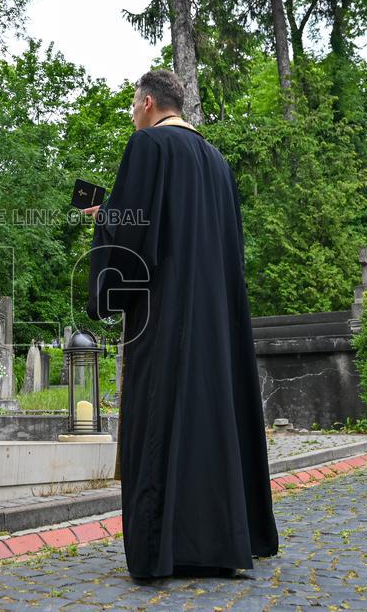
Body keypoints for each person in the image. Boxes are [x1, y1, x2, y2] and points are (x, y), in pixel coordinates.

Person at [84, 69, 278, 579]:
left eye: (132, 105)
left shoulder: (148, 146)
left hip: (166, 313)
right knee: (212, 418)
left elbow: (133, 235)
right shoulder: (218, 163)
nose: (132, 115)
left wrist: (103, 225)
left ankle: (160, 548)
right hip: (215, 316)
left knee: (162, 413)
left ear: (148, 103)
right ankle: (218, 543)